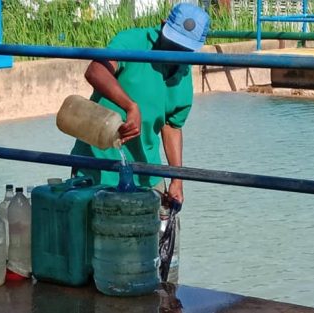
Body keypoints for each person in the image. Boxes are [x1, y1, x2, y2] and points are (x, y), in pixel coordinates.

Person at [70, 3, 210, 283]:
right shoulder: (133, 41)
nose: (176, 53)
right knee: (95, 253)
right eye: (172, 42)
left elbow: (172, 126)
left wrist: (177, 179)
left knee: (154, 255)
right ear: (162, 26)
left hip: (146, 172)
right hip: (99, 162)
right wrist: (129, 105)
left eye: (185, 48)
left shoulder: (183, 73)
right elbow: (95, 71)